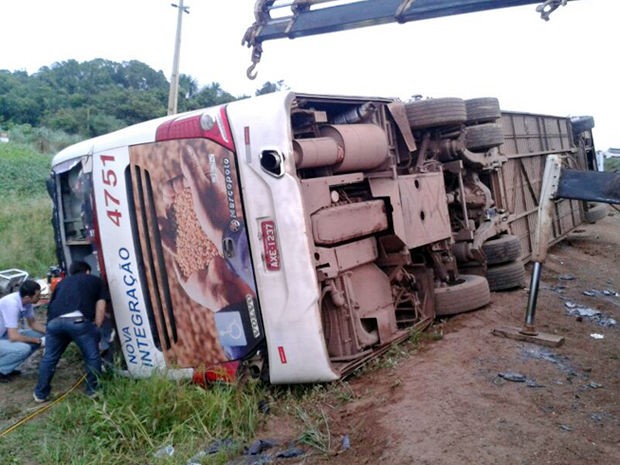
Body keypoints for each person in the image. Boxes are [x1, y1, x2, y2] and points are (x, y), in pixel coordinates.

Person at [33, 260, 108, 402]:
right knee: (92, 357)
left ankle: (40, 394)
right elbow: (101, 307)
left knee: (49, 358)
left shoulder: (61, 283)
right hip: (78, 322)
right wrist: (96, 327)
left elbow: (52, 305)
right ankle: (92, 391)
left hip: (54, 323)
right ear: (87, 271)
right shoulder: (95, 281)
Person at [0, 280, 45, 382]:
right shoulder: (12, 304)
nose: (40, 298)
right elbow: (13, 336)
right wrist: (37, 341)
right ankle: (2, 369)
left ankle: (8, 366)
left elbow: (32, 323)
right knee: (23, 349)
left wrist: (50, 332)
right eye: (37, 296)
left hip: (4, 335)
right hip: (6, 336)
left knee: (39, 334)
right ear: (27, 297)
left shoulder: (26, 302)